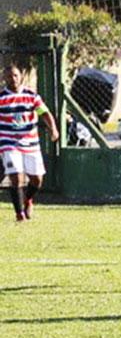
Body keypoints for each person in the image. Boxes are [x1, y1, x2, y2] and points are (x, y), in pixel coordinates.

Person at [1, 62, 60, 222]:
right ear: (4, 78)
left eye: (15, 75)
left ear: (21, 76)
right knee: (15, 176)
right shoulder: (1, 98)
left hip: (30, 142)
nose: (12, 78)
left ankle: (28, 199)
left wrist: (53, 129)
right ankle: (19, 214)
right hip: (8, 142)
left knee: (37, 179)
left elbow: (45, 113)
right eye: (9, 76)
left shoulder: (31, 96)